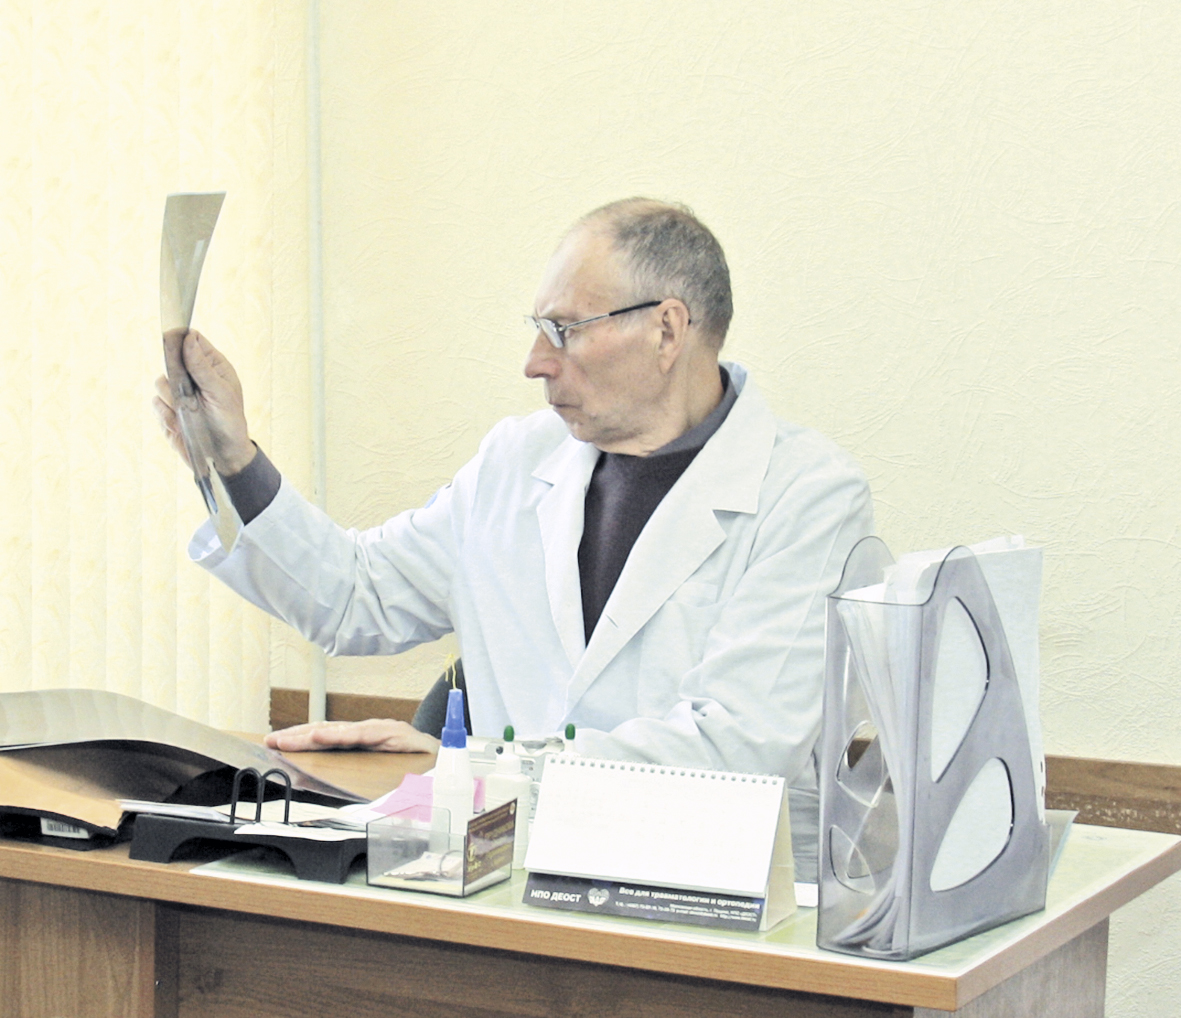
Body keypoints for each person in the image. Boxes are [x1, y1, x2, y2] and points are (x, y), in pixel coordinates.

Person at [153, 198, 873, 878]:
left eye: (564, 330)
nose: (535, 361)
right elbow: (355, 597)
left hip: (711, 898)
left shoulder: (807, 497)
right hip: (507, 879)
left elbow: (734, 753)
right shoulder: (516, 461)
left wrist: (473, 772)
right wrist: (234, 461)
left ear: (666, 330)